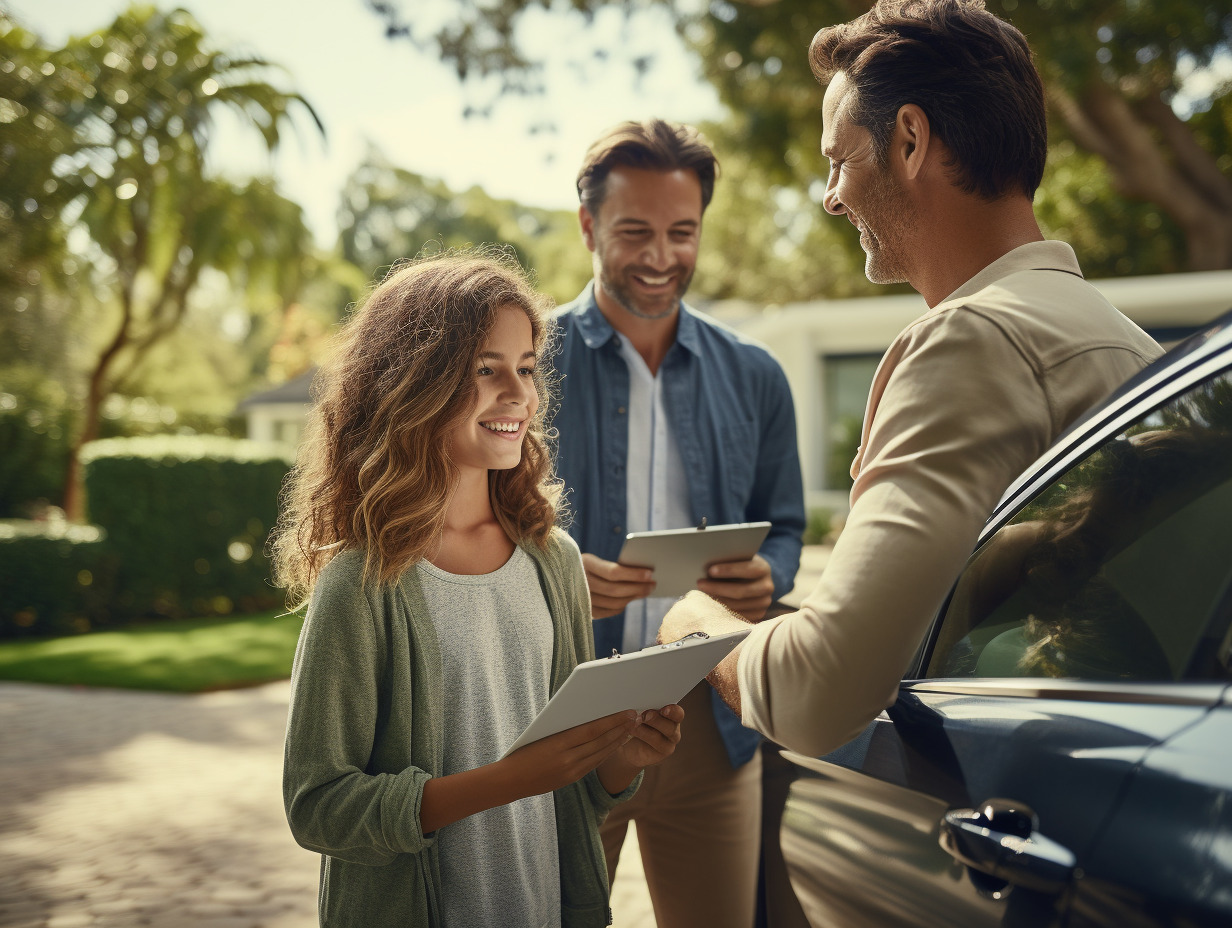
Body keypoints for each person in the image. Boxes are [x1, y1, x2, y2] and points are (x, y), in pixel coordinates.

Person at [658, 0, 1164, 757]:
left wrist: (693, 624)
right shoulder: (1135, 348)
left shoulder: (969, 339)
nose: (832, 196)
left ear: (910, 139)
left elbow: (816, 693)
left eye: (839, 159)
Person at [275, 251, 684, 928]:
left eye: (525, 369)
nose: (519, 395)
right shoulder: (362, 583)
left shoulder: (555, 563)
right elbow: (317, 805)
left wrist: (618, 759)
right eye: (485, 370)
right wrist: (505, 780)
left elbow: (576, 793)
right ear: (413, 383)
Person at [551, 120, 806, 927]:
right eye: (635, 232)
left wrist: (776, 576)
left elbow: (788, 526)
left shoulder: (757, 376)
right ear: (589, 226)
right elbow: (461, 527)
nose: (661, 255)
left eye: (681, 232)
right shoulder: (522, 362)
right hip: (563, 720)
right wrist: (550, 572)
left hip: (712, 727)